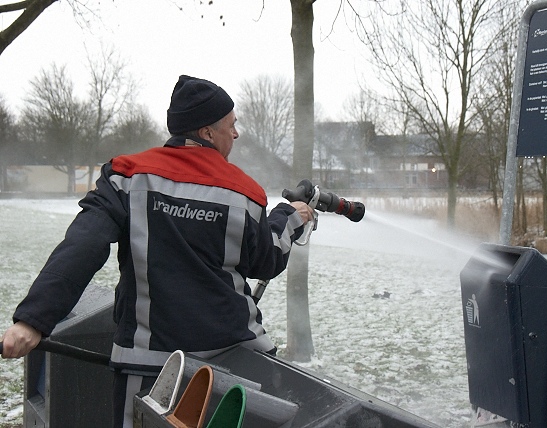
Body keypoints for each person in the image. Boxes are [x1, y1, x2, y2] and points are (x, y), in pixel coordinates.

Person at [0, 75, 314, 427]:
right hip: (236, 363)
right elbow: (266, 260)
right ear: (207, 133)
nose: (236, 134)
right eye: (231, 124)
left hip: (147, 367)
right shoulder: (245, 192)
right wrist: (291, 217)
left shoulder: (127, 177)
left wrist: (33, 320)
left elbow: (83, 243)